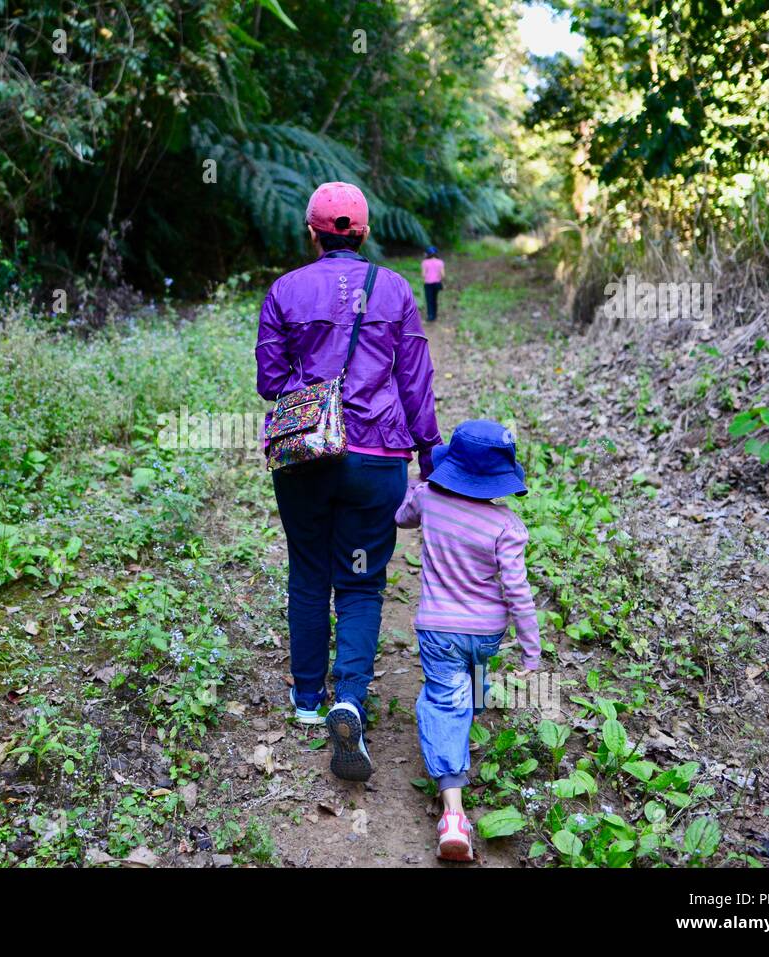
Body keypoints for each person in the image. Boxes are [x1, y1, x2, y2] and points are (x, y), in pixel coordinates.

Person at [256, 181, 441, 783]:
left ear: (312, 233)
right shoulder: (393, 289)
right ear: (361, 233)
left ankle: (307, 699)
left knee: (307, 569)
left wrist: (313, 389)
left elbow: (270, 380)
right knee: (360, 582)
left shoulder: (285, 290)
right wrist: (428, 450)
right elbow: (413, 376)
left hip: (307, 457)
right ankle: (350, 699)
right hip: (377, 456)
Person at [394, 420, 542, 860]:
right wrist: (531, 651)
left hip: (439, 629)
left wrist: (421, 483)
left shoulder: (429, 499)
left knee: (441, 701)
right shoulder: (507, 526)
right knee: (474, 678)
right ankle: (467, 716)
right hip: (487, 632)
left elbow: (401, 517)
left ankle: (453, 814)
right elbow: (518, 591)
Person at [421, 247, 444, 323]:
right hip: (437, 283)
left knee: (429, 300)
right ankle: (435, 315)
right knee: (435, 299)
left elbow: (423, 274)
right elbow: (443, 275)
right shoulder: (440, 262)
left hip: (428, 284)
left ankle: (430, 316)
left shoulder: (425, 262)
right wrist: (438, 277)